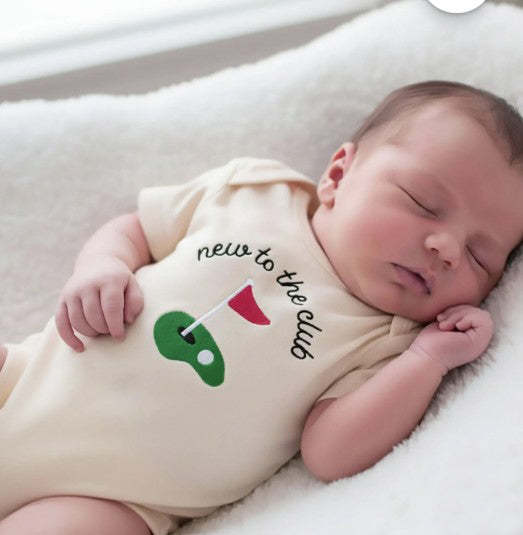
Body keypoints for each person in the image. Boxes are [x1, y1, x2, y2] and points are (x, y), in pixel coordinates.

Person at [0, 80, 522, 535]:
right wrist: (103, 265)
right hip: (23, 381)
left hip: (113, 497)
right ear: (339, 174)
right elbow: (138, 227)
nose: (447, 249)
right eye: (422, 203)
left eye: (480, 256)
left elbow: (330, 453)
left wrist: (427, 361)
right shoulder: (258, 193)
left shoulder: (388, 342)